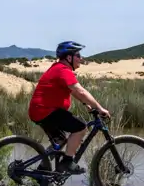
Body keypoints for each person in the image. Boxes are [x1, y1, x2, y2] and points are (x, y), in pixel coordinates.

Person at [28, 41, 110, 175]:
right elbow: (81, 91)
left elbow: (74, 92)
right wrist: (100, 108)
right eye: (78, 55)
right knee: (81, 127)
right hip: (46, 111)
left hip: (41, 111)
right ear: (69, 57)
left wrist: (86, 104)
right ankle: (67, 162)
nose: (81, 58)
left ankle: (42, 170)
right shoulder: (63, 70)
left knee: (60, 140)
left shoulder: (58, 68)